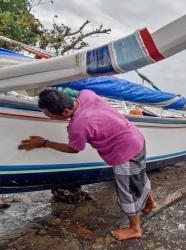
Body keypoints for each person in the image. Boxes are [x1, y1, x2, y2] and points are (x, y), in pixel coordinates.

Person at [20, 89, 158, 241]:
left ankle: (134, 228)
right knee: (139, 176)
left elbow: (74, 149)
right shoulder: (86, 94)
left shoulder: (77, 125)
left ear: (65, 112)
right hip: (136, 138)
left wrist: (45, 143)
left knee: (128, 189)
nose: (49, 117)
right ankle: (151, 204)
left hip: (124, 152)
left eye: (49, 115)